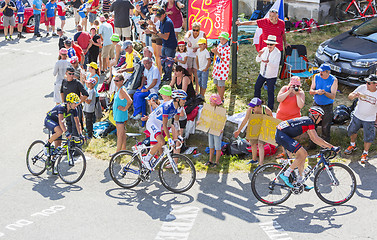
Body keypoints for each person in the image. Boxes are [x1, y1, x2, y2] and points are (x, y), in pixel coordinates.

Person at [275, 106, 339, 190]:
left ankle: (299, 181)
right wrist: (332, 147)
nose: (321, 119)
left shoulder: (307, 121)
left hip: (283, 133)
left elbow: (314, 139)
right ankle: (286, 174)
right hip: (282, 134)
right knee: (303, 153)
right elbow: (316, 138)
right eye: (321, 117)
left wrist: (327, 147)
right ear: (315, 116)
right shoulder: (309, 122)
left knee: (303, 156)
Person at [142, 89, 187, 170]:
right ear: (177, 99)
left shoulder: (179, 107)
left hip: (159, 124)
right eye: (183, 99)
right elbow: (165, 125)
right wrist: (169, 139)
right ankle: (146, 159)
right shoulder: (167, 106)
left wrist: (179, 135)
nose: (185, 101)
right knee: (162, 142)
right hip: (152, 122)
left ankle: (150, 163)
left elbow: (176, 123)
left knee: (159, 144)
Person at [344, 74, 377, 163]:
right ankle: (352, 145)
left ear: (375, 84)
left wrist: (376, 121)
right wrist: (354, 95)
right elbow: (349, 96)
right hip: (357, 115)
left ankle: (365, 153)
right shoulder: (362, 88)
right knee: (351, 130)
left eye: (369, 83)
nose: (367, 84)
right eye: (366, 82)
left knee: (368, 137)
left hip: (370, 119)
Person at [234, 97, 273, 167]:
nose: (252, 108)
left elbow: (272, 120)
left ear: (259, 106)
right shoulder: (250, 110)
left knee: (260, 144)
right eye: (251, 106)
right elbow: (245, 120)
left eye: (253, 106)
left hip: (263, 128)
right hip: (254, 128)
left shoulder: (267, 110)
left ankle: (261, 164)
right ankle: (254, 159)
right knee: (252, 144)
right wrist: (239, 130)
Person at [44, 93, 82, 162]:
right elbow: (61, 121)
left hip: (57, 124)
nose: (76, 105)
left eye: (77, 103)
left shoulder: (74, 109)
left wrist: (80, 134)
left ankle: (52, 164)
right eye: (75, 103)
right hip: (50, 120)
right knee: (60, 131)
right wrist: (67, 133)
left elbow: (77, 123)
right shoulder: (61, 107)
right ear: (69, 103)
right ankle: (47, 144)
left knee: (58, 146)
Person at [275, 76, 305, 158]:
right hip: (281, 116)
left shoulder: (301, 92)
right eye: (294, 86)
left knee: (290, 136)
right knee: (282, 136)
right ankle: (285, 153)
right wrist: (288, 92)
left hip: (293, 118)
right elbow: (279, 99)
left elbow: (300, 105)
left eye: (297, 86)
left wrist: (297, 95)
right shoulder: (285, 88)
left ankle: (291, 153)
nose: (296, 87)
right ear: (290, 84)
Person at [309, 63, 338, 143]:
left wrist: (325, 92)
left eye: (322, 72)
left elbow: (333, 96)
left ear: (327, 72)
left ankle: (325, 146)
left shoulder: (333, 80)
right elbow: (311, 91)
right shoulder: (316, 77)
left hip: (327, 106)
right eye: (320, 71)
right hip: (316, 104)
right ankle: (312, 144)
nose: (320, 73)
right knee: (312, 125)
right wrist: (316, 92)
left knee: (325, 127)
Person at [147, 8, 177, 82]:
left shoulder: (167, 22)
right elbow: (159, 33)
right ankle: (166, 77)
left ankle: (168, 80)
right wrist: (152, 31)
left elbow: (165, 36)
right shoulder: (162, 21)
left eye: (159, 16)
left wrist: (156, 32)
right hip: (165, 45)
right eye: (158, 16)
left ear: (164, 15)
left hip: (170, 45)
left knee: (168, 64)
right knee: (163, 62)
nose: (158, 18)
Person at [254, 35, 281, 110]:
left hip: (271, 75)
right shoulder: (264, 49)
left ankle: (270, 108)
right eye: (268, 44)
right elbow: (257, 60)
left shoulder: (278, 53)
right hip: (262, 73)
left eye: (271, 44)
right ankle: (256, 103)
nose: (269, 46)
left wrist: (268, 62)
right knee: (257, 87)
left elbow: (276, 65)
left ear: (275, 45)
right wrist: (259, 55)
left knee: (270, 91)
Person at [60, 67, 89, 136]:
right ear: (66, 73)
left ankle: (77, 140)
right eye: (70, 74)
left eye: (73, 74)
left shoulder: (77, 83)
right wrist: (63, 102)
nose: (71, 76)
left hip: (74, 107)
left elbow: (86, 94)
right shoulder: (64, 81)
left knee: (75, 124)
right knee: (68, 123)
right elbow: (61, 92)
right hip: (67, 107)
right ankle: (70, 140)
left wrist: (78, 103)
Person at [112, 74, 133, 153]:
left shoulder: (122, 90)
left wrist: (125, 108)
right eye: (114, 80)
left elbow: (130, 101)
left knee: (120, 134)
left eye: (117, 81)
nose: (115, 82)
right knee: (122, 133)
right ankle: (123, 149)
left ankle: (117, 152)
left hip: (120, 115)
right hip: (118, 114)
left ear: (121, 81)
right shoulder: (119, 89)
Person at [184, 22, 206, 91]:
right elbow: (185, 37)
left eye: (197, 30)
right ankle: (190, 88)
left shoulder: (202, 34)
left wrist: (197, 48)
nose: (195, 32)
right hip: (189, 54)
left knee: (196, 71)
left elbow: (205, 46)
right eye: (194, 30)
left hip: (197, 55)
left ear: (199, 30)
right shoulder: (190, 32)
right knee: (189, 71)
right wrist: (188, 41)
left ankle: (197, 88)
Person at [204, 94, 223, 168]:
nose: (210, 102)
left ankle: (217, 162)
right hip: (211, 129)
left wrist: (222, 129)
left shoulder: (220, 111)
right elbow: (206, 118)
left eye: (212, 101)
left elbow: (223, 120)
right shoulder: (209, 110)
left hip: (217, 130)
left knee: (218, 147)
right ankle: (210, 160)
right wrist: (200, 122)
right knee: (211, 146)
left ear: (216, 102)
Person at [211, 32, 230, 102]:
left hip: (223, 69)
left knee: (221, 84)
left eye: (223, 39)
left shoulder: (227, 48)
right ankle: (220, 97)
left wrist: (217, 53)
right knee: (216, 83)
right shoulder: (219, 45)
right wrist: (215, 52)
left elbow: (224, 59)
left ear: (226, 40)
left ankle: (221, 99)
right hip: (217, 67)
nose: (221, 41)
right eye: (220, 39)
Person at [149, 4, 163, 74]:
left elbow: (159, 28)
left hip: (159, 36)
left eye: (156, 10)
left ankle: (159, 72)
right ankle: (158, 70)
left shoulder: (160, 18)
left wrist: (152, 25)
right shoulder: (152, 17)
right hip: (153, 35)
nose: (155, 11)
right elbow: (151, 27)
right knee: (155, 54)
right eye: (153, 10)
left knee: (158, 55)